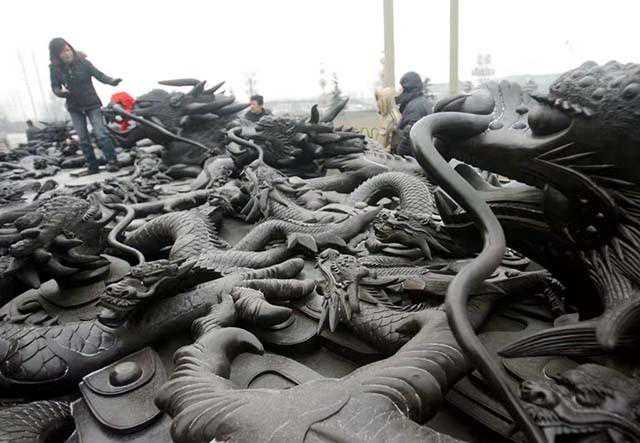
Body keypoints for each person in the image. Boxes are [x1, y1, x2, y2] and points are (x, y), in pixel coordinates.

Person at [49, 37, 122, 174]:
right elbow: (55, 87)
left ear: (71, 49)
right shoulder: (55, 69)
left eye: (68, 50)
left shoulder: (84, 63)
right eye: (62, 52)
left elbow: (99, 75)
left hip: (91, 103)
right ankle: (92, 166)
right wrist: (60, 92)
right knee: (83, 138)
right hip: (74, 106)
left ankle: (112, 162)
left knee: (101, 134)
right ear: (56, 55)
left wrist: (112, 81)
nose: (67, 53)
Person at [395, 71, 434, 157]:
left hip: (413, 159)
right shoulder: (422, 101)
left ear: (408, 88)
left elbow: (410, 136)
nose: (399, 91)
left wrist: (399, 155)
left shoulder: (414, 107)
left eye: (401, 88)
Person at [374, 87, 401, 152]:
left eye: (379, 100)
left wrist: (382, 152)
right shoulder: (385, 116)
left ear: (385, 102)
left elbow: (392, 143)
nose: (377, 104)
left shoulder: (393, 118)